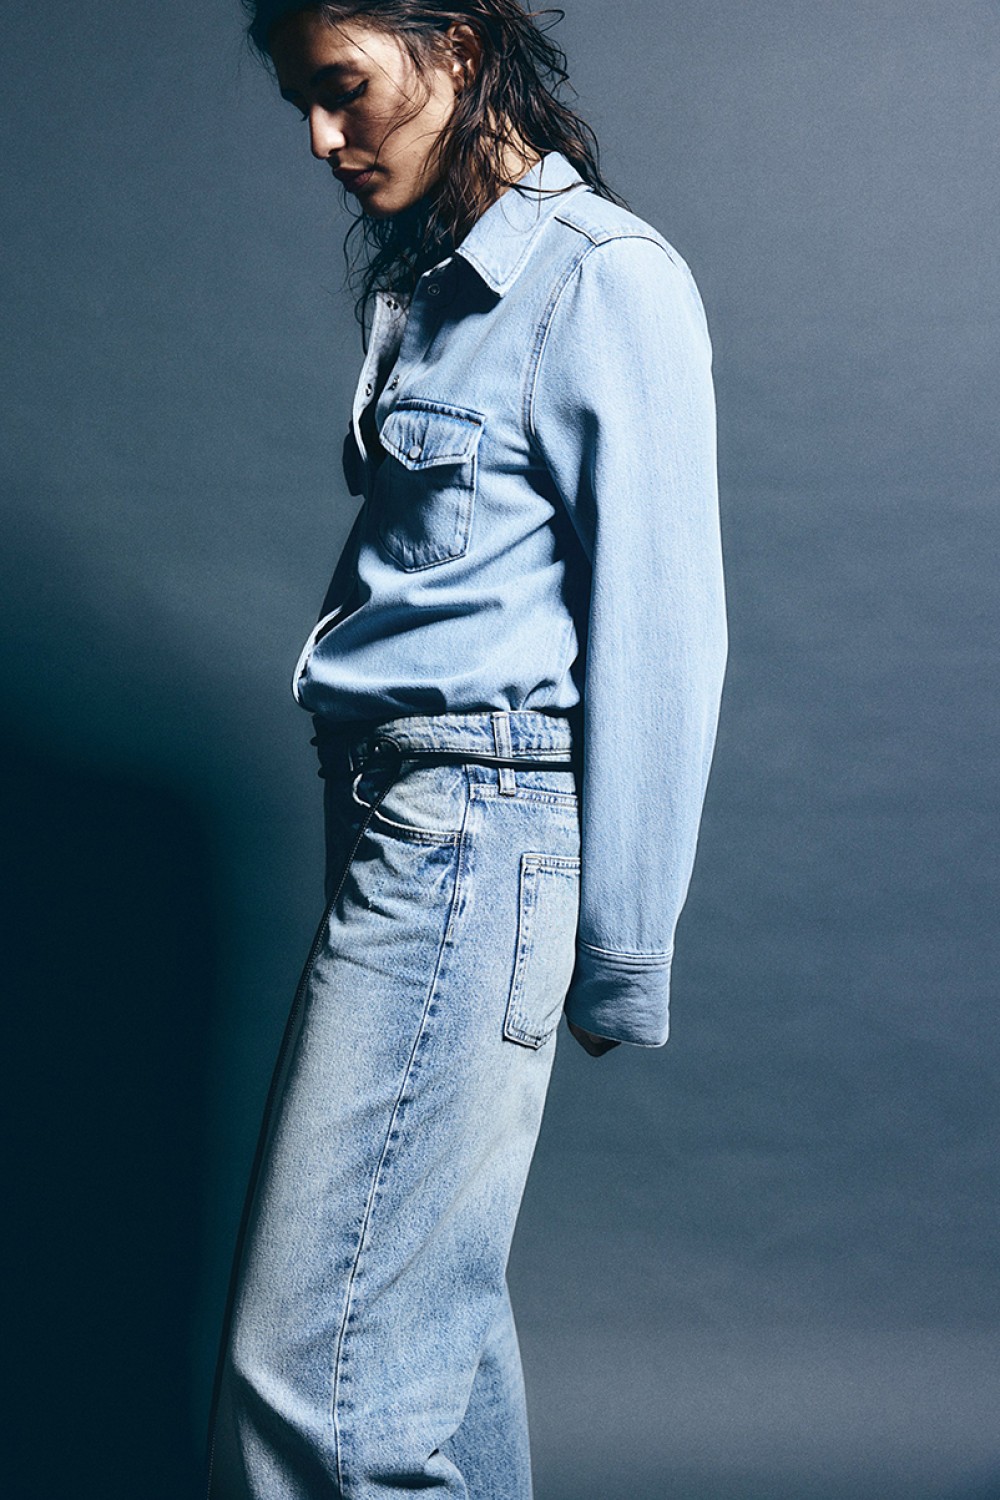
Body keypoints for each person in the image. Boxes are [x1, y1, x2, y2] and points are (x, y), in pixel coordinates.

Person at [206, 2, 727, 1495]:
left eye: (344, 89)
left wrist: (622, 948)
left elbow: (665, 631)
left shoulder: (605, 280)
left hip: (472, 842)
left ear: (451, 46)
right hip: (397, 827)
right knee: (425, 1345)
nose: (323, 139)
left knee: (319, 1381)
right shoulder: (436, 286)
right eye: (303, 105)